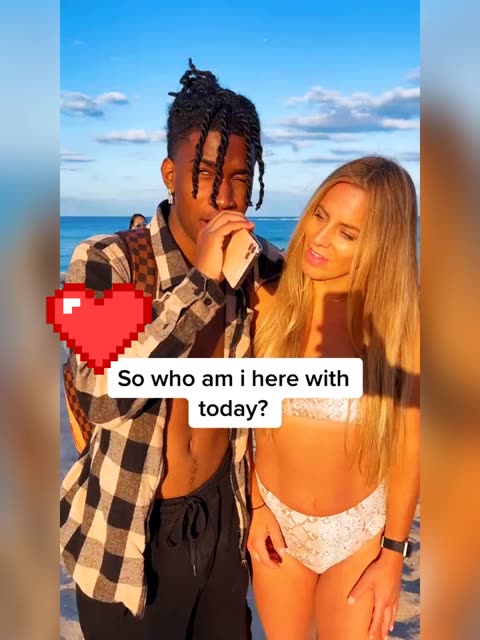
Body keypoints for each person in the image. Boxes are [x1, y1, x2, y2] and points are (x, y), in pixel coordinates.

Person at [60, 59, 283, 640]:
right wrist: (201, 285)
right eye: (204, 172)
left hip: (223, 524)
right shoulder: (106, 259)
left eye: (239, 177)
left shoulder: (256, 266)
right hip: (129, 533)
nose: (223, 195)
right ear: (169, 172)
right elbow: (100, 393)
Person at [248, 156, 420, 639]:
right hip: (277, 524)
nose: (319, 238)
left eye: (347, 233)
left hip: (359, 532)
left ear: (380, 247)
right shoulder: (265, 306)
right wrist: (256, 507)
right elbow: (234, 418)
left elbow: (409, 447)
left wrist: (393, 554)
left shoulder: (401, 329)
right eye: (319, 216)